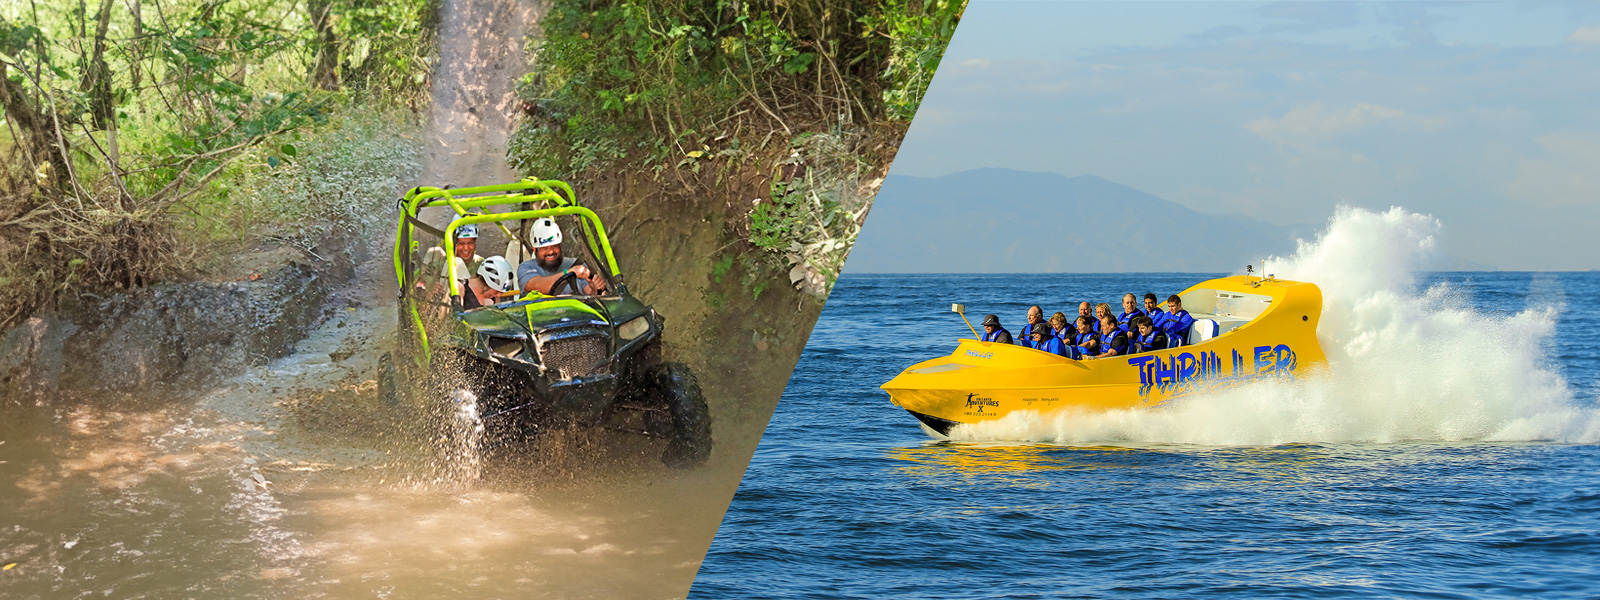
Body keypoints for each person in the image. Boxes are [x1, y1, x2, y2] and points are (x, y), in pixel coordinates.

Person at [516, 217, 609, 296]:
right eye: (544, 248)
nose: (550, 251)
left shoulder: (576, 265)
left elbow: (589, 293)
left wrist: (594, 287)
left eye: (554, 246)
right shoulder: (526, 268)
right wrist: (567, 273)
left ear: (560, 246)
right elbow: (536, 286)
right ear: (535, 249)